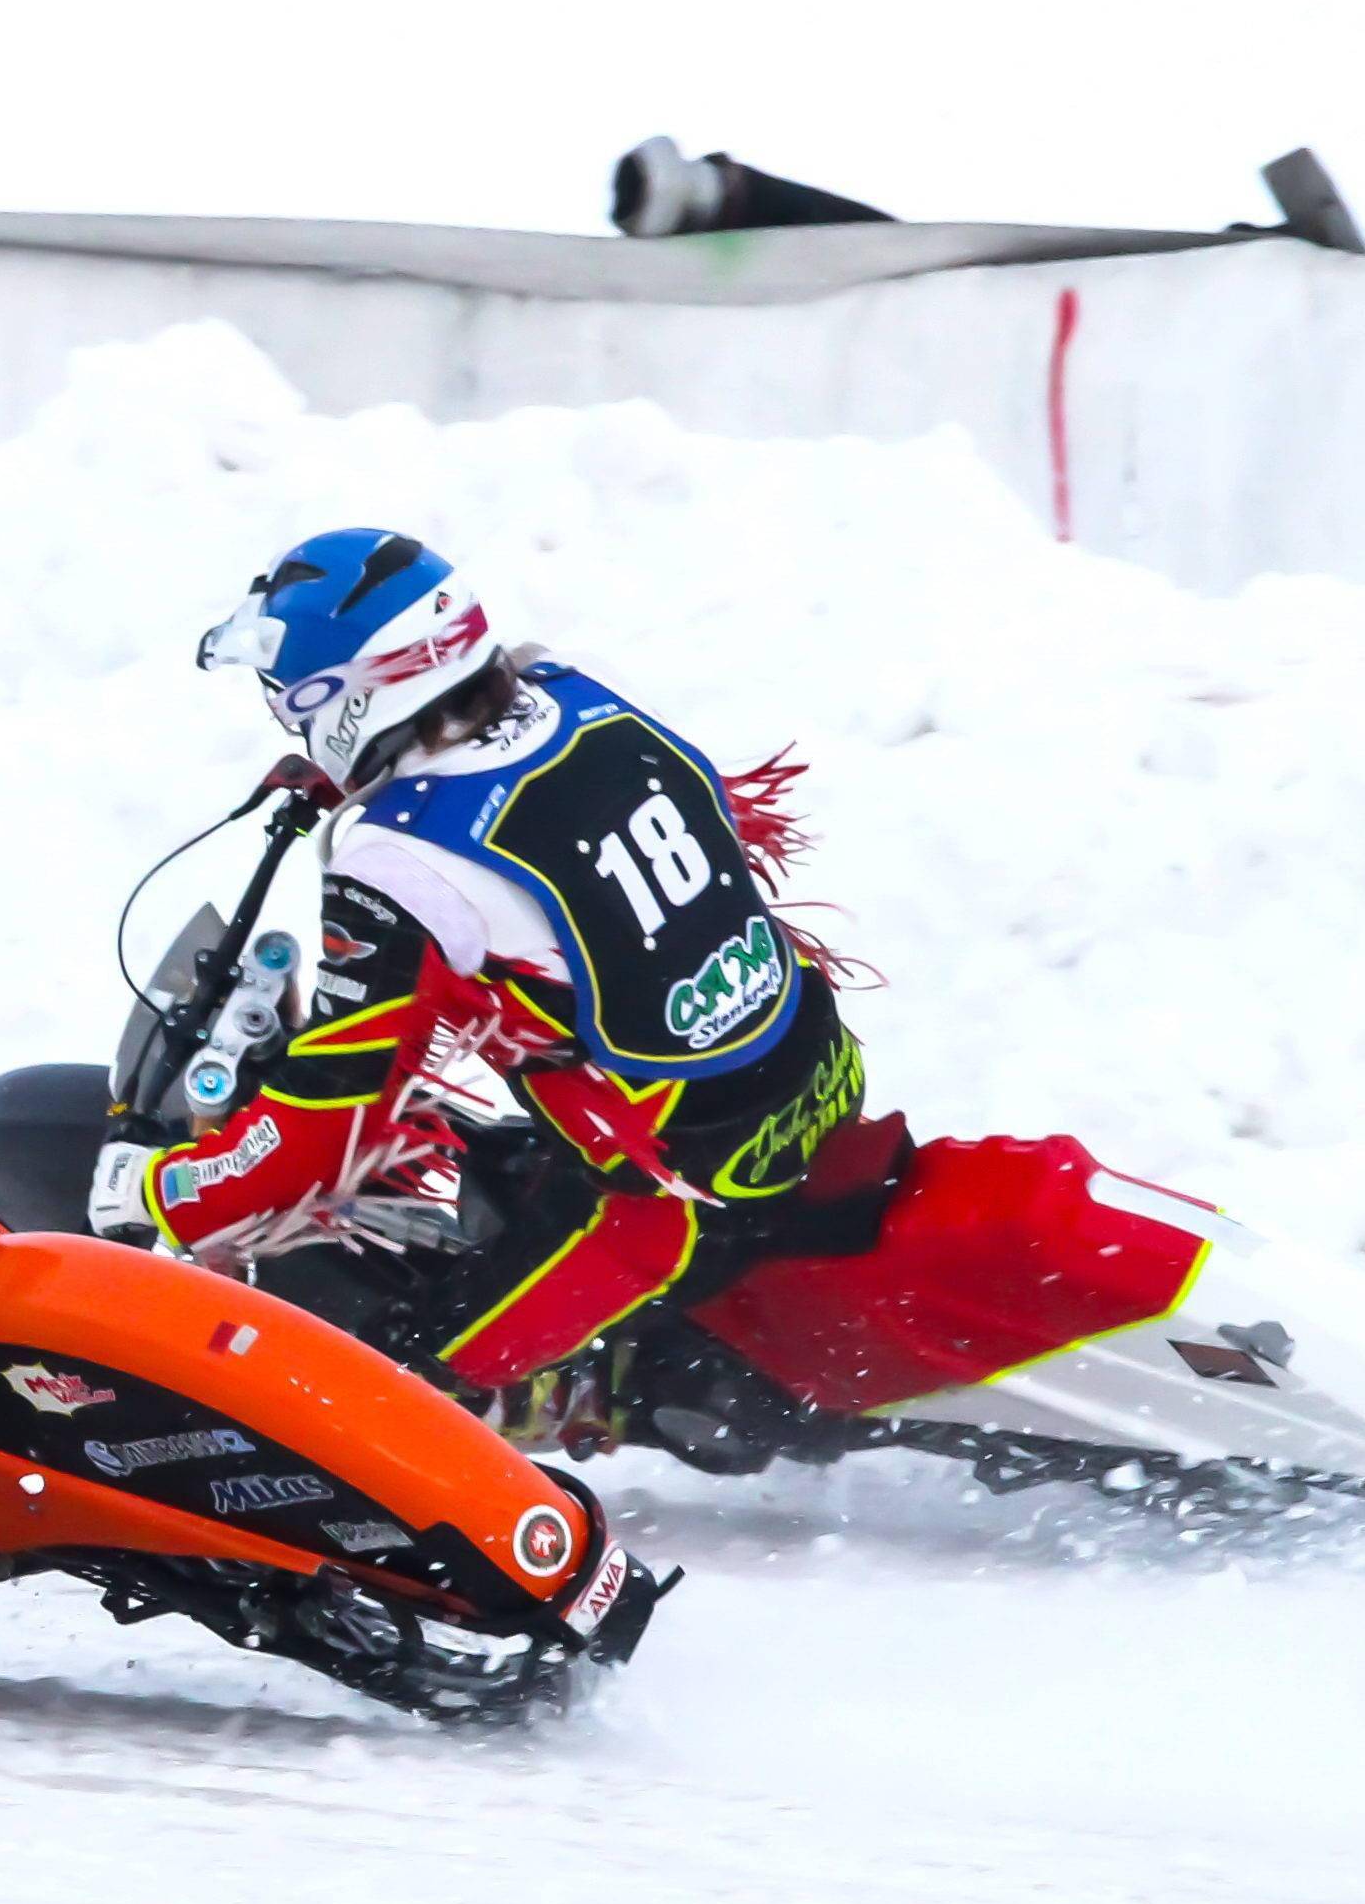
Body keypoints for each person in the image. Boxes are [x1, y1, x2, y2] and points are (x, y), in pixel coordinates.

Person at [89, 529, 870, 1449]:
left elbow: (318, 1132)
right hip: (811, 1066)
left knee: (377, 1386)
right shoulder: (574, 696)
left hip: (681, 1195)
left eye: (289, 699)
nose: (281, 718)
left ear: (351, 695)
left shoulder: (400, 859)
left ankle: (589, 1388)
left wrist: (164, 1188)